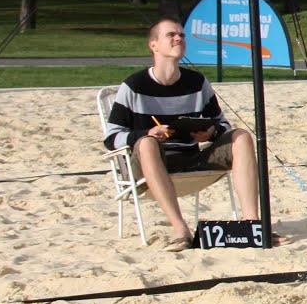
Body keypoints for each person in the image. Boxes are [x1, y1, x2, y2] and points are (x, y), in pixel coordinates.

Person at [103, 18, 264, 251]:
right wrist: (146, 133)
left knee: (242, 136)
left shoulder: (196, 83)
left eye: (182, 35)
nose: (179, 38)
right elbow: (111, 137)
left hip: (190, 158)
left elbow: (223, 125)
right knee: (147, 143)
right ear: (154, 45)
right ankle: (181, 231)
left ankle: (252, 225)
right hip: (149, 165)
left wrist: (211, 132)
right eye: (171, 35)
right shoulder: (134, 86)